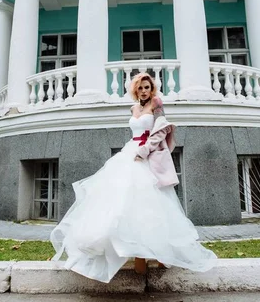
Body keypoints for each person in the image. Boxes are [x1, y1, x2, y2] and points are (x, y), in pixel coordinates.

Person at [50, 73, 217, 283]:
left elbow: (160, 131)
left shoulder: (156, 104)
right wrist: (134, 150)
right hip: (131, 152)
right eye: (141, 88)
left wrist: (145, 151)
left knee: (150, 204)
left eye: (147, 87)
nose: (144, 90)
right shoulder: (134, 108)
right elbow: (135, 132)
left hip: (147, 155)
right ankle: (134, 253)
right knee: (122, 201)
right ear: (136, 90)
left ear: (152, 89)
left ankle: (155, 253)